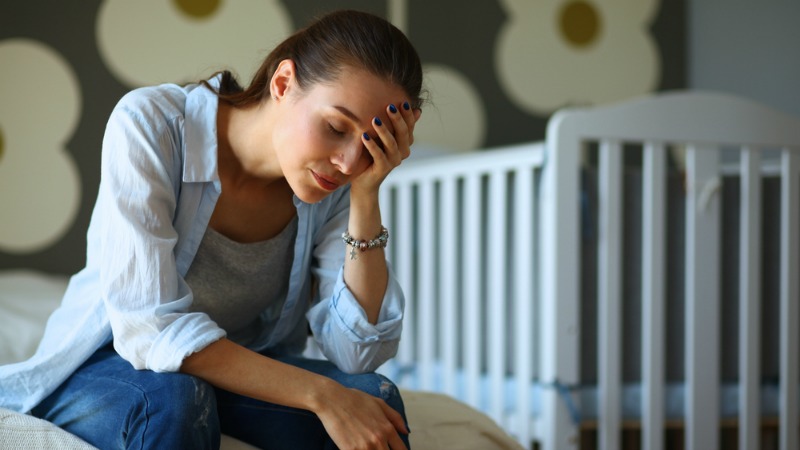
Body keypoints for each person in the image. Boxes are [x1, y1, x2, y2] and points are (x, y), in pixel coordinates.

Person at [0, 9, 423, 450]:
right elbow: (150, 328)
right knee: (177, 398)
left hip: (235, 373)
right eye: (336, 127)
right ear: (282, 84)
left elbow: (357, 353)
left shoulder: (337, 186)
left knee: (376, 399)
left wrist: (366, 195)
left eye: (372, 147)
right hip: (113, 364)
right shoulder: (154, 126)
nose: (349, 162)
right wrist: (320, 395)